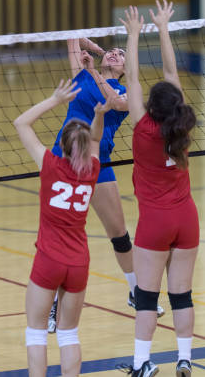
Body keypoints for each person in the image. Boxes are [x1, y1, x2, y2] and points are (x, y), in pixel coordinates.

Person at [49, 38, 164, 332]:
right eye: (112, 52)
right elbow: (72, 35)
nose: (115, 54)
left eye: (121, 54)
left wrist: (97, 68)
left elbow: (114, 102)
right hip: (64, 160)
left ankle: (136, 291)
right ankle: (51, 304)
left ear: (126, 69)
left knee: (120, 234)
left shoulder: (128, 93)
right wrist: (100, 51)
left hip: (98, 163)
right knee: (60, 237)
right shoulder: (83, 72)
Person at [117, 0, 199, 377]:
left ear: (152, 108)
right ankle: (184, 358)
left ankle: (141, 364)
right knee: (181, 294)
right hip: (187, 219)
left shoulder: (142, 129)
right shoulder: (181, 127)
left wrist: (134, 34)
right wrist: (164, 27)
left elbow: (131, 79)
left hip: (155, 223)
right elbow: (170, 70)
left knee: (147, 298)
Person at [13, 79, 112, 377]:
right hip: (78, 261)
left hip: (49, 259)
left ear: (63, 146)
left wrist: (56, 99)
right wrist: (100, 114)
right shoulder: (93, 170)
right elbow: (95, 139)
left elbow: (21, 123)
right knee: (69, 334)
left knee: (36, 332)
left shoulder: (50, 164)